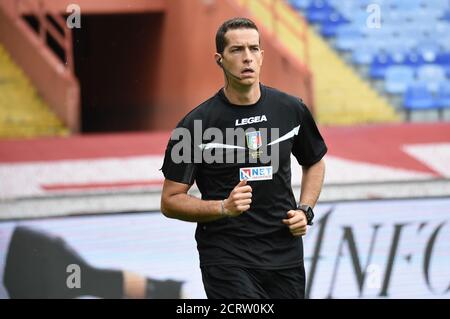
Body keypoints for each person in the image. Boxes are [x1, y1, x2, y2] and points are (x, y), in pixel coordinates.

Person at [160, 17, 326, 299]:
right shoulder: (195, 125)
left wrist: (305, 210)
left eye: (253, 49)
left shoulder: (291, 109)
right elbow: (170, 200)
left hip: (284, 254)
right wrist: (223, 208)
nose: (247, 58)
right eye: (237, 50)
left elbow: (314, 162)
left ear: (262, 55)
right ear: (219, 59)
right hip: (226, 257)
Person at [3, 226, 183, 299]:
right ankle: (167, 291)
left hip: (25, 260)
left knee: (86, 280)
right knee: (86, 280)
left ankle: (167, 291)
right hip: (25, 258)